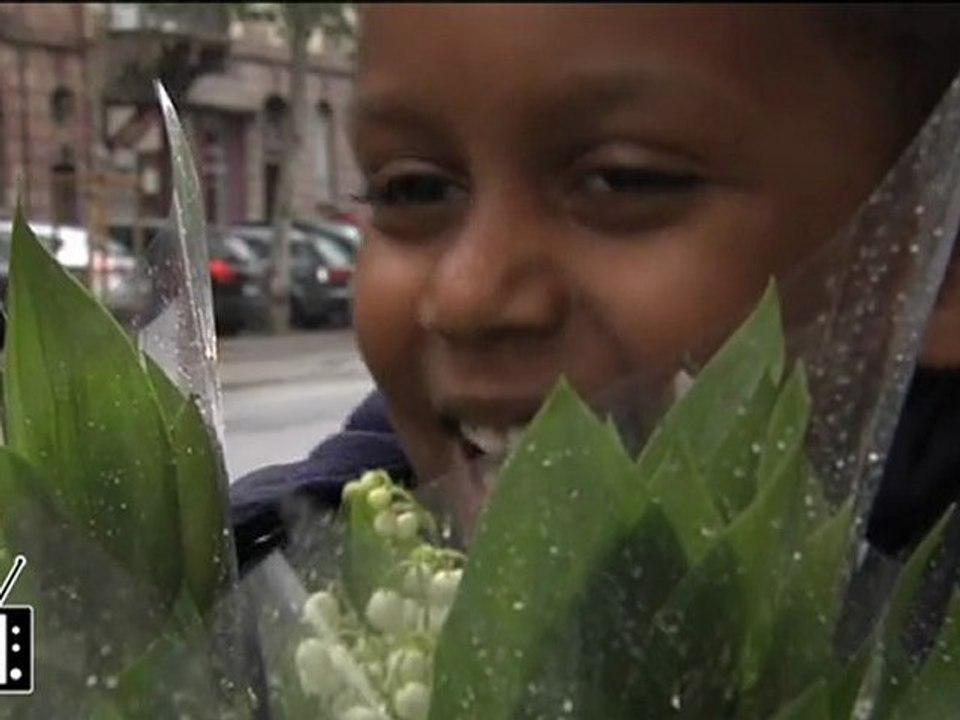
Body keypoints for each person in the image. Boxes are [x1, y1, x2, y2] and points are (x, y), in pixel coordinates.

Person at [230, 5, 960, 575]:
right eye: (412, 188)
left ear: (935, 253)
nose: (467, 296)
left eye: (624, 180)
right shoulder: (255, 621)